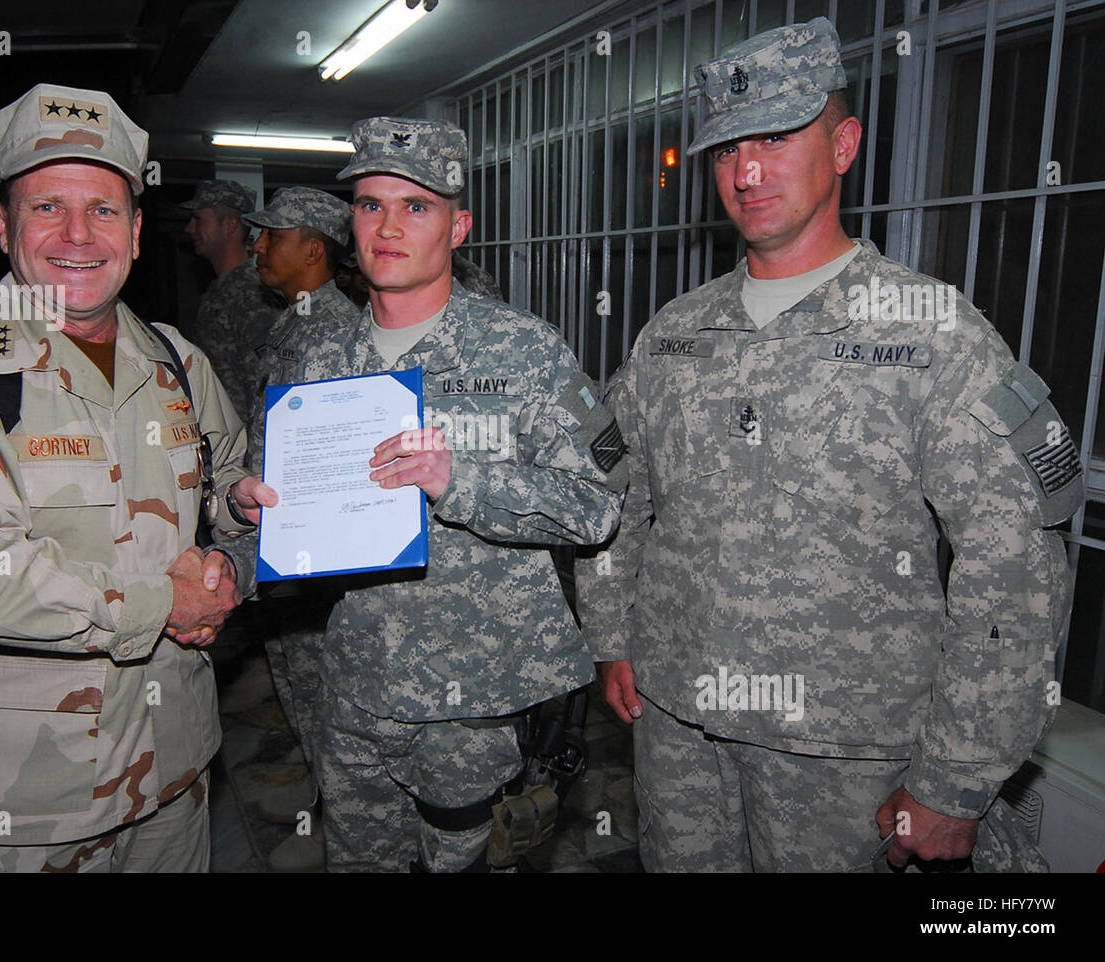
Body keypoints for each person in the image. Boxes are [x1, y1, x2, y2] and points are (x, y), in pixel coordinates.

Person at [575, 18, 1084, 872]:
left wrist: (956, 782)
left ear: (843, 145)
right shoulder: (675, 334)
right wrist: (612, 635)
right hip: (680, 730)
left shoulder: (932, 333)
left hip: (843, 754)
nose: (746, 171)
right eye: (728, 148)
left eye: (777, 137)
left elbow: (1014, 566)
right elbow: (616, 494)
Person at [0, 83, 254, 873]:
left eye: (105, 210)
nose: (79, 235)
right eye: (47, 209)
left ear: (139, 232)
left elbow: (231, 491)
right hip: (22, 801)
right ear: (4, 225)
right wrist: (166, 603)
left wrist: (235, 551)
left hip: (173, 772)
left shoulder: (178, 360)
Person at [226, 117, 629, 872]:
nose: (388, 226)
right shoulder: (316, 356)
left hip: (471, 702)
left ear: (459, 224)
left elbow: (597, 502)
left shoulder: (522, 349)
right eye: (371, 204)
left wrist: (459, 482)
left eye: (417, 207)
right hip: (351, 683)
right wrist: (248, 517)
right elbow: (274, 512)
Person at [240, 186, 357, 872]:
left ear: (312, 248)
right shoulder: (291, 323)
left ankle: (352, 836)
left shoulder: (337, 331)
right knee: (304, 705)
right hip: (283, 557)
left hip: (319, 573)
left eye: (271, 235)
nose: (259, 247)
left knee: (330, 714)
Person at [182, 180, 285, 428]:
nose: (189, 228)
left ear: (230, 225)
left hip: (245, 443)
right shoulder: (219, 290)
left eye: (198, 219)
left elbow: (264, 383)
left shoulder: (252, 294)